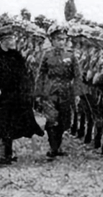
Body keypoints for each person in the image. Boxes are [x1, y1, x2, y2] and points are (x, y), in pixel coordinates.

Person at [0, 25, 44, 165]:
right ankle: (0, 155)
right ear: (2, 40)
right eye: (9, 39)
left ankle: (7, 153)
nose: (12, 41)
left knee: (10, 125)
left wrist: (25, 93)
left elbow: (23, 76)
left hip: (12, 98)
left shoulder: (16, 56)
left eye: (13, 38)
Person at [35, 22, 82, 158]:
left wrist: (77, 93)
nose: (61, 42)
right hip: (50, 91)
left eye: (63, 39)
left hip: (66, 91)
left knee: (63, 120)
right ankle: (53, 146)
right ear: (52, 40)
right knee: (51, 119)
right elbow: (40, 74)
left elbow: (77, 76)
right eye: (58, 39)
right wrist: (38, 93)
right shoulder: (47, 55)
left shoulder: (71, 55)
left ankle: (58, 144)